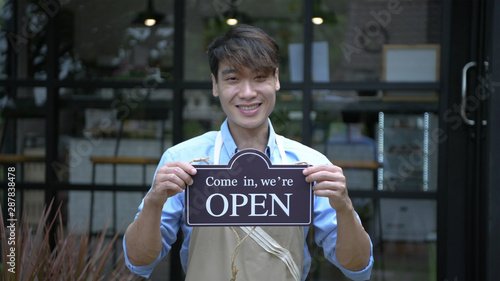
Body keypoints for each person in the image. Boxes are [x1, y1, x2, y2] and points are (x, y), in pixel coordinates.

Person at [123, 24, 373, 281]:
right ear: (215, 85)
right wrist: (154, 202)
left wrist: (344, 207)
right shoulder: (183, 160)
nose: (247, 93)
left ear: (276, 79)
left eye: (259, 77)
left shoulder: (308, 165)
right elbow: (139, 262)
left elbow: (357, 267)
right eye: (233, 79)